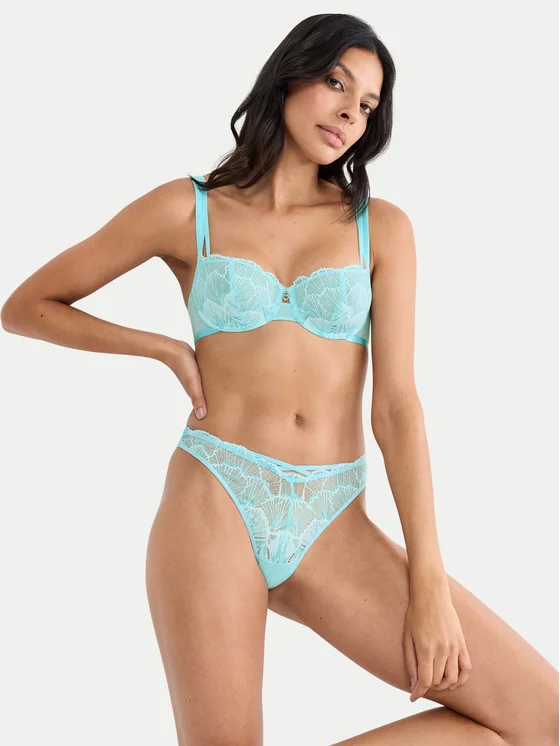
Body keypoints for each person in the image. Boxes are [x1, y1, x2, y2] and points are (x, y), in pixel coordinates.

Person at [2, 12, 557, 746]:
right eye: (337, 84)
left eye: (368, 105)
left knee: (539, 720)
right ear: (289, 76)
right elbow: (26, 307)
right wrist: (163, 348)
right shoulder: (189, 209)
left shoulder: (381, 227)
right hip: (215, 496)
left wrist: (429, 581)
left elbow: (396, 406)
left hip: (333, 514)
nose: (351, 114)